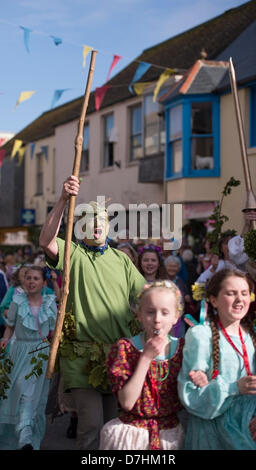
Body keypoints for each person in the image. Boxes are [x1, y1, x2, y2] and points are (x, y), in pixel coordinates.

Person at [39, 175, 146, 450]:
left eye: (100, 221)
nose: (95, 226)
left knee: (114, 432)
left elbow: (146, 296)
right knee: (90, 429)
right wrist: (63, 199)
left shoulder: (122, 259)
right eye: (88, 221)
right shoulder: (71, 253)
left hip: (117, 356)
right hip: (81, 357)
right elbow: (46, 241)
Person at [99, 280, 185, 450]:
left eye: (165, 312)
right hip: (131, 435)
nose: (157, 320)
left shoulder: (182, 349)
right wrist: (145, 357)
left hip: (169, 435)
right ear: (139, 315)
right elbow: (127, 402)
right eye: (150, 312)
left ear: (176, 317)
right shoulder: (126, 348)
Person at [178, 268, 256, 450]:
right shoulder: (201, 336)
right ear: (213, 300)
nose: (239, 300)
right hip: (213, 435)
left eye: (244, 293)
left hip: (249, 432)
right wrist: (233, 387)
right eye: (231, 293)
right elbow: (190, 396)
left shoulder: (252, 335)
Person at [0, 266, 57, 450]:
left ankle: (26, 436)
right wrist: (5, 340)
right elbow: (10, 326)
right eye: (29, 278)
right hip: (19, 351)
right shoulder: (17, 301)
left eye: (36, 279)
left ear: (43, 283)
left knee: (30, 394)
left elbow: (55, 332)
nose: (31, 282)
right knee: (17, 390)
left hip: (40, 353)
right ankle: (19, 435)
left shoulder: (49, 302)